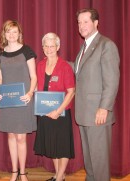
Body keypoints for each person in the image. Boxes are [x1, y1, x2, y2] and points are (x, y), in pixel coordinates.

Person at [74, 8, 120, 181]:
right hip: (85, 114)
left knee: (99, 161)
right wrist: (56, 62)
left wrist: (104, 108)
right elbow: (80, 72)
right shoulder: (85, 47)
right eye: (79, 22)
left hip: (97, 114)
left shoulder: (106, 45)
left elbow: (112, 81)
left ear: (95, 23)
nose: (81, 25)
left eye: (85, 21)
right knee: (90, 160)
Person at [0, 20, 37, 181]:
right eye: (8, 31)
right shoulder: (0, 53)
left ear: (19, 33)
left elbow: (33, 77)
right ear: (4, 34)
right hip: (7, 101)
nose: (11, 35)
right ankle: (14, 171)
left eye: (14, 31)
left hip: (23, 100)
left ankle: (23, 172)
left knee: (21, 137)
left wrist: (30, 93)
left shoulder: (27, 51)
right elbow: (0, 78)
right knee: (11, 136)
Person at [33, 33, 75, 181]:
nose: (49, 49)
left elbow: (71, 92)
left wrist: (58, 111)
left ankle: (58, 178)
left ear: (58, 47)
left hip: (61, 113)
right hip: (45, 113)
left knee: (62, 146)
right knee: (52, 146)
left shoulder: (65, 66)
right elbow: (38, 87)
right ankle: (60, 175)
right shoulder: (40, 65)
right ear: (43, 48)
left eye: (52, 46)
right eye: (46, 46)